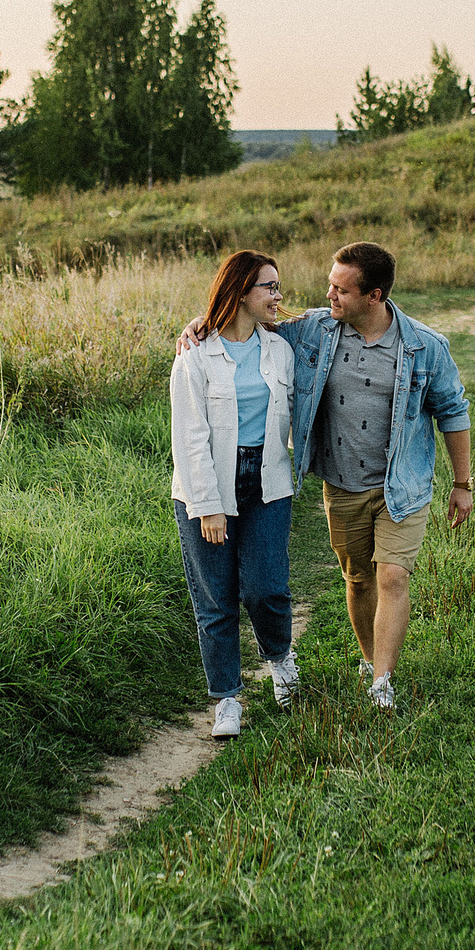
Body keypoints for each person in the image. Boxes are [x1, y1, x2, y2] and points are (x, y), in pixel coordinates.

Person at [184, 240, 474, 711]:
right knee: (358, 580)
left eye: (341, 289)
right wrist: (201, 323)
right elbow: (247, 323)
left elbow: (453, 412)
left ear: (374, 296)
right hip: (341, 485)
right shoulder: (315, 329)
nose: (329, 295)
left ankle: (382, 682)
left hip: (402, 485)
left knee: (392, 578)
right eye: (330, 285)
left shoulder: (425, 346)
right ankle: (368, 658)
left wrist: (462, 484)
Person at [170, 250, 301, 739]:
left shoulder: (280, 349)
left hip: (268, 481)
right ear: (242, 291)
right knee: (216, 597)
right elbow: (190, 437)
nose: (278, 296)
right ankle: (227, 699)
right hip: (208, 484)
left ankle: (281, 659)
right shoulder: (195, 353)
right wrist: (208, 507)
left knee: (266, 588)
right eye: (270, 287)